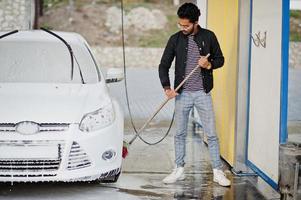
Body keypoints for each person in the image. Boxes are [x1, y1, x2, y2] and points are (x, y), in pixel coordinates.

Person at [158, 2, 231, 187]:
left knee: (211, 134)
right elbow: (163, 65)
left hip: (202, 93)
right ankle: (179, 169)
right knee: (180, 133)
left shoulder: (208, 36)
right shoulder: (175, 39)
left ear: (195, 22)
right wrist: (167, 87)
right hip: (182, 94)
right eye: (180, 25)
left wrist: (209, 64)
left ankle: (217, 171)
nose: (183, 28)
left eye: (186, 25)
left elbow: (220, 59)